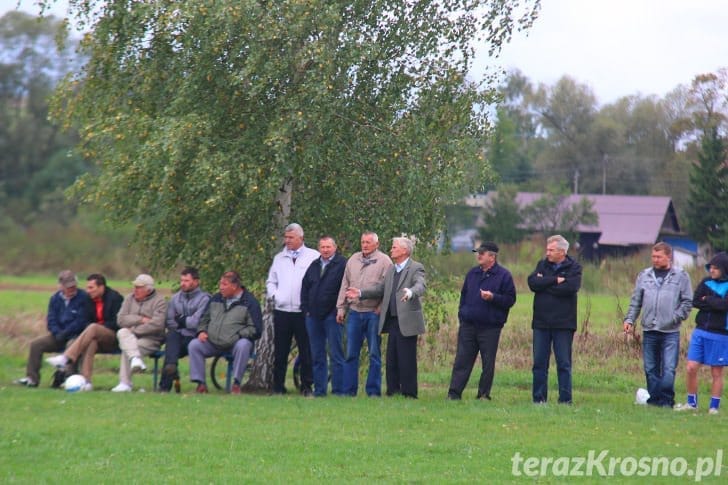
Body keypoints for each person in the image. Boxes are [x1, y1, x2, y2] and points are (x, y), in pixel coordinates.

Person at [346, 237, 426, 398]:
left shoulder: (415, 267)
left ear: (404, 250)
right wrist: (361, 293)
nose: (391, 250)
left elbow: (420, 285)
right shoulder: (392, 270)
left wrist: (411, 292)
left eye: (394, 247)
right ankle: (392, 391)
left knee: (406, 359)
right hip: (392, 321)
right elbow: (381, 289)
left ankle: (409, 393)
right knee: (392, 358)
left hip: (407, 321)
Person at [623, 242, 692, 408]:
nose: (655, 259)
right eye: (653, 256)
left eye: (659, 256)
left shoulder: (681, 276)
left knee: (668, 369)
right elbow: (636, 301)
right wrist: (629, 319)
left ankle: (667, 400)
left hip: (670, 331)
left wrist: (675, 317)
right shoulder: (644, 275)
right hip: (649, 329)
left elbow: (687, 302)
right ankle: (654, 401)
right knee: (650, 368)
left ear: (668, 257)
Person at [447, 242, 516, 401]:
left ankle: (484, 394)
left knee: (487, 363)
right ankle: (454, 393)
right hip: (468, 325)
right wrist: (462, 314)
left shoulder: (504, 275)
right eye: (478, 252)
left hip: (490, 327)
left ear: (492, 257)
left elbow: (510, 299)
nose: (478, 255)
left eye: (482, 253)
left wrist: (493, 297)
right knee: (462, 360)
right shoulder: (472, 273)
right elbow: (464, 296)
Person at [336, 231, 392, 397]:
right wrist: (341, 308)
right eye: (363, 242)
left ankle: (373, 391)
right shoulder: (353, 259)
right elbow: (344, 284)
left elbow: (387, 289)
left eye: (368, 242)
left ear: (377, 244)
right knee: (351, 354)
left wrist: (381, 307)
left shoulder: (385, 262)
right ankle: (348, 391)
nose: (365, 245)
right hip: (354, 313)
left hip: (372, 314)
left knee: (374, 354)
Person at [528, 235, 582, 404]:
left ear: (562, 251)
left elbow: (570, 288)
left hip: (563, 324)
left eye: (551, 250)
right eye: (547, 249)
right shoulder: (542, 264)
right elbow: (532, 283)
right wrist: (554, 281)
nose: (547, 253)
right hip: (541, 323)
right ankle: (539, 399)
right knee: (539, 364)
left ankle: (565, 400)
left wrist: (545, 285)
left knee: (564, 364)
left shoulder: (574, 267)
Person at [266, 222, 319, 396]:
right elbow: (271, 281)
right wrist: (275, 296)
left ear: (300, 238)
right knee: (280, 351)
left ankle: (306, 387)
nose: (287, 240)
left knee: (306, 351)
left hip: (303, 312)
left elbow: (318, 283)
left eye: (291, 237)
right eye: (286, 237)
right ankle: (278, 387)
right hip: (282, 311)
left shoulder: (313, 256)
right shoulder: (279, 258)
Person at [45, 274, 123, 390]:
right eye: (87, 287)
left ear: (101, 287)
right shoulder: (89, 300)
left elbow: (118, 323)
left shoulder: (115, 299)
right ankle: (86, 382)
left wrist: (100, 327)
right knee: (91, 342)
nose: (88, 291)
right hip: (94, 336)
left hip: (112, 336)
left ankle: (66, 357)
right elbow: (84, 320)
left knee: (93, 327)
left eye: (91, 288)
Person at [188, 271, 262, 394]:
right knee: (194, 345)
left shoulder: (250, 303)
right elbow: (204, 319)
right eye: (220, 284)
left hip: (235, 344)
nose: (220, 287)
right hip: (213, 342)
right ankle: (200, 384)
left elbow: (256, 329)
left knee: (243, 345)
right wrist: (201, 331)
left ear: (234, 286)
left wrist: (238, 335)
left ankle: (236, 384)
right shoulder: (216, 299)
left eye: (224, 284)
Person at [16, 270, 91, 388]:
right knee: (36, 344)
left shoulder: (83, 298)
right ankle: (32, 378)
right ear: (61, 286)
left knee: (72, 345)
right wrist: (56, 332)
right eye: (69, 287)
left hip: (75, 335)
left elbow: (81, 321)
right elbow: (51, 319)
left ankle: (68, 377)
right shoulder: (55, 299)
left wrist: (66, 333)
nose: (72, 289)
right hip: (58, 335)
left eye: (74, 286)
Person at [675, 252, 728, 414]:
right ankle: (691, 403)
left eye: (715, 268)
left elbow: (724, 307)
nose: (711, 271)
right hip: (700, 331)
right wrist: (712, 303)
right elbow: (696, 301)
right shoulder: (705, 282)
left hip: (720, 334)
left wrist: (708, 300)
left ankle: (714, 407)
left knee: (716, 372)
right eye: (710, 267)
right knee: (691, 367)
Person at [301, 236, 347, 397]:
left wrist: (340, 309)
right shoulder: (314, 265)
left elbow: (345, 287)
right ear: (319, 248)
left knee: (336, 354)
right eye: (322, 247)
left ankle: (338, 391)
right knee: (317, 355)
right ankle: (320, 390)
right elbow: (305, 288)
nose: (325, 250)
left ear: (335, 247)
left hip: (333, 316)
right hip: (313, 317)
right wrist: (306, 309)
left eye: (328, 247)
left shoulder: (342, 264)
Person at [111, 274, 167, 392]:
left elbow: (157, 325)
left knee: (127, 345)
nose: (135, 290)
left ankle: (125, 383)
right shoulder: (129, 299)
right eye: (135, 286)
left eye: (139, 287)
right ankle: (135, 359)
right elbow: (120, 319)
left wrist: (134, 330)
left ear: (148, 289)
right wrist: (140, 319)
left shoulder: (159, 301)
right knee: (122, 332)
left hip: (151, 339)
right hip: (129, 336)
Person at [158, 267, 211, 392]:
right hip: (178, 336)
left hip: (196, 337)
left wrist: (181, 319)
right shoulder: (175, 298)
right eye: (181, 280)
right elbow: (170, 321)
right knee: (171, 337)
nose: (183, 283)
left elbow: (197, 322)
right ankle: (171, 369)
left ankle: (165, 387)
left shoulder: (205, 299)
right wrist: (184, 321)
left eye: (186, 280)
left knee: (172, 348)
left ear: (196, 281)